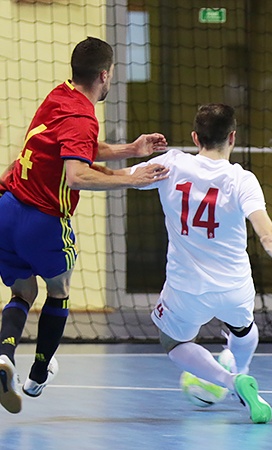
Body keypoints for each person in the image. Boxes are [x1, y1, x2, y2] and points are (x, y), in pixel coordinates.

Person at [131, 103, 272, 424]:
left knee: (172, 341)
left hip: (186, 288)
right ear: (233, 138)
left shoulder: (170, 164)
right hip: (234, 287)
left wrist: (92, 162)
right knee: (242, 328)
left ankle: (231, 381)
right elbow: (268, 235)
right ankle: (243, 370)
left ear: (195, 137)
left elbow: (114, 178)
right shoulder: (243, 179)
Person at [0, 37, 169, 414]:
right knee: (58, 291)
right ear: (104, 75)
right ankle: (38, 375)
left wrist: (131, 149)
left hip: (7, 209)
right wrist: (133, 178)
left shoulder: (59, 96)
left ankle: (4, 356)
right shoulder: (82, 115)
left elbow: (75, 145)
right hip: (42, 221)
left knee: (22, 294)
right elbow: (75, 175)